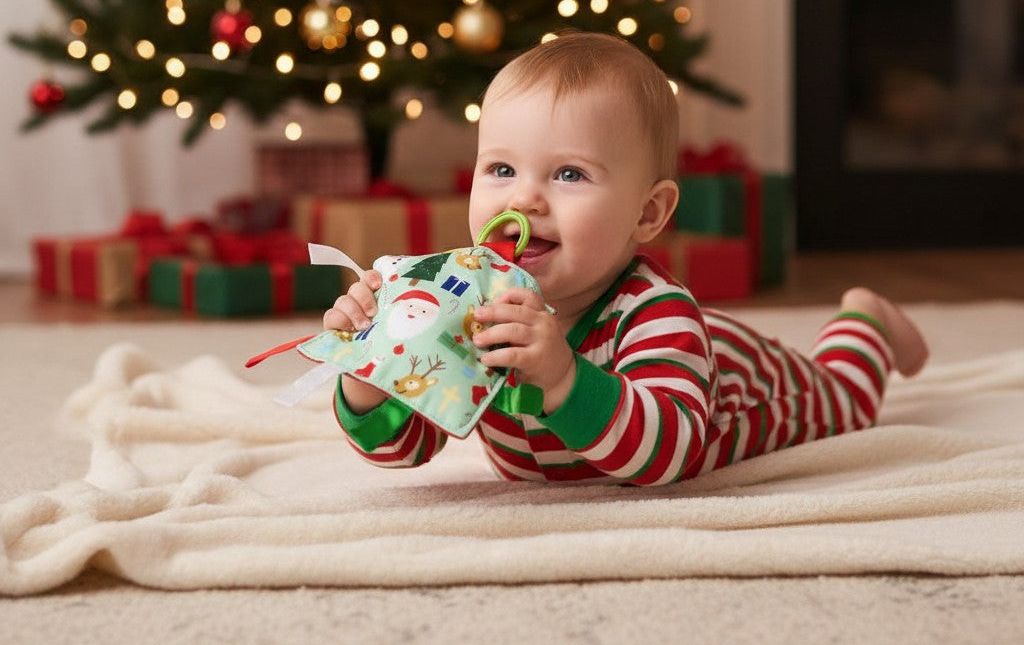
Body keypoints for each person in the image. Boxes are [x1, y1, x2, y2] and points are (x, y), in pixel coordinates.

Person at [323, 32, 928, 485]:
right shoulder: (465, 304)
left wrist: (561, 377)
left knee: (847, 398)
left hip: (753, 385)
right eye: (501, 169)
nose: (524, 197)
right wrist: (368, 368)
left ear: (647, 214)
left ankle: (865, 319)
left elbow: (665, 455)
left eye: (569, 173)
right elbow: (407, 448)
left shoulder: (657, 313)